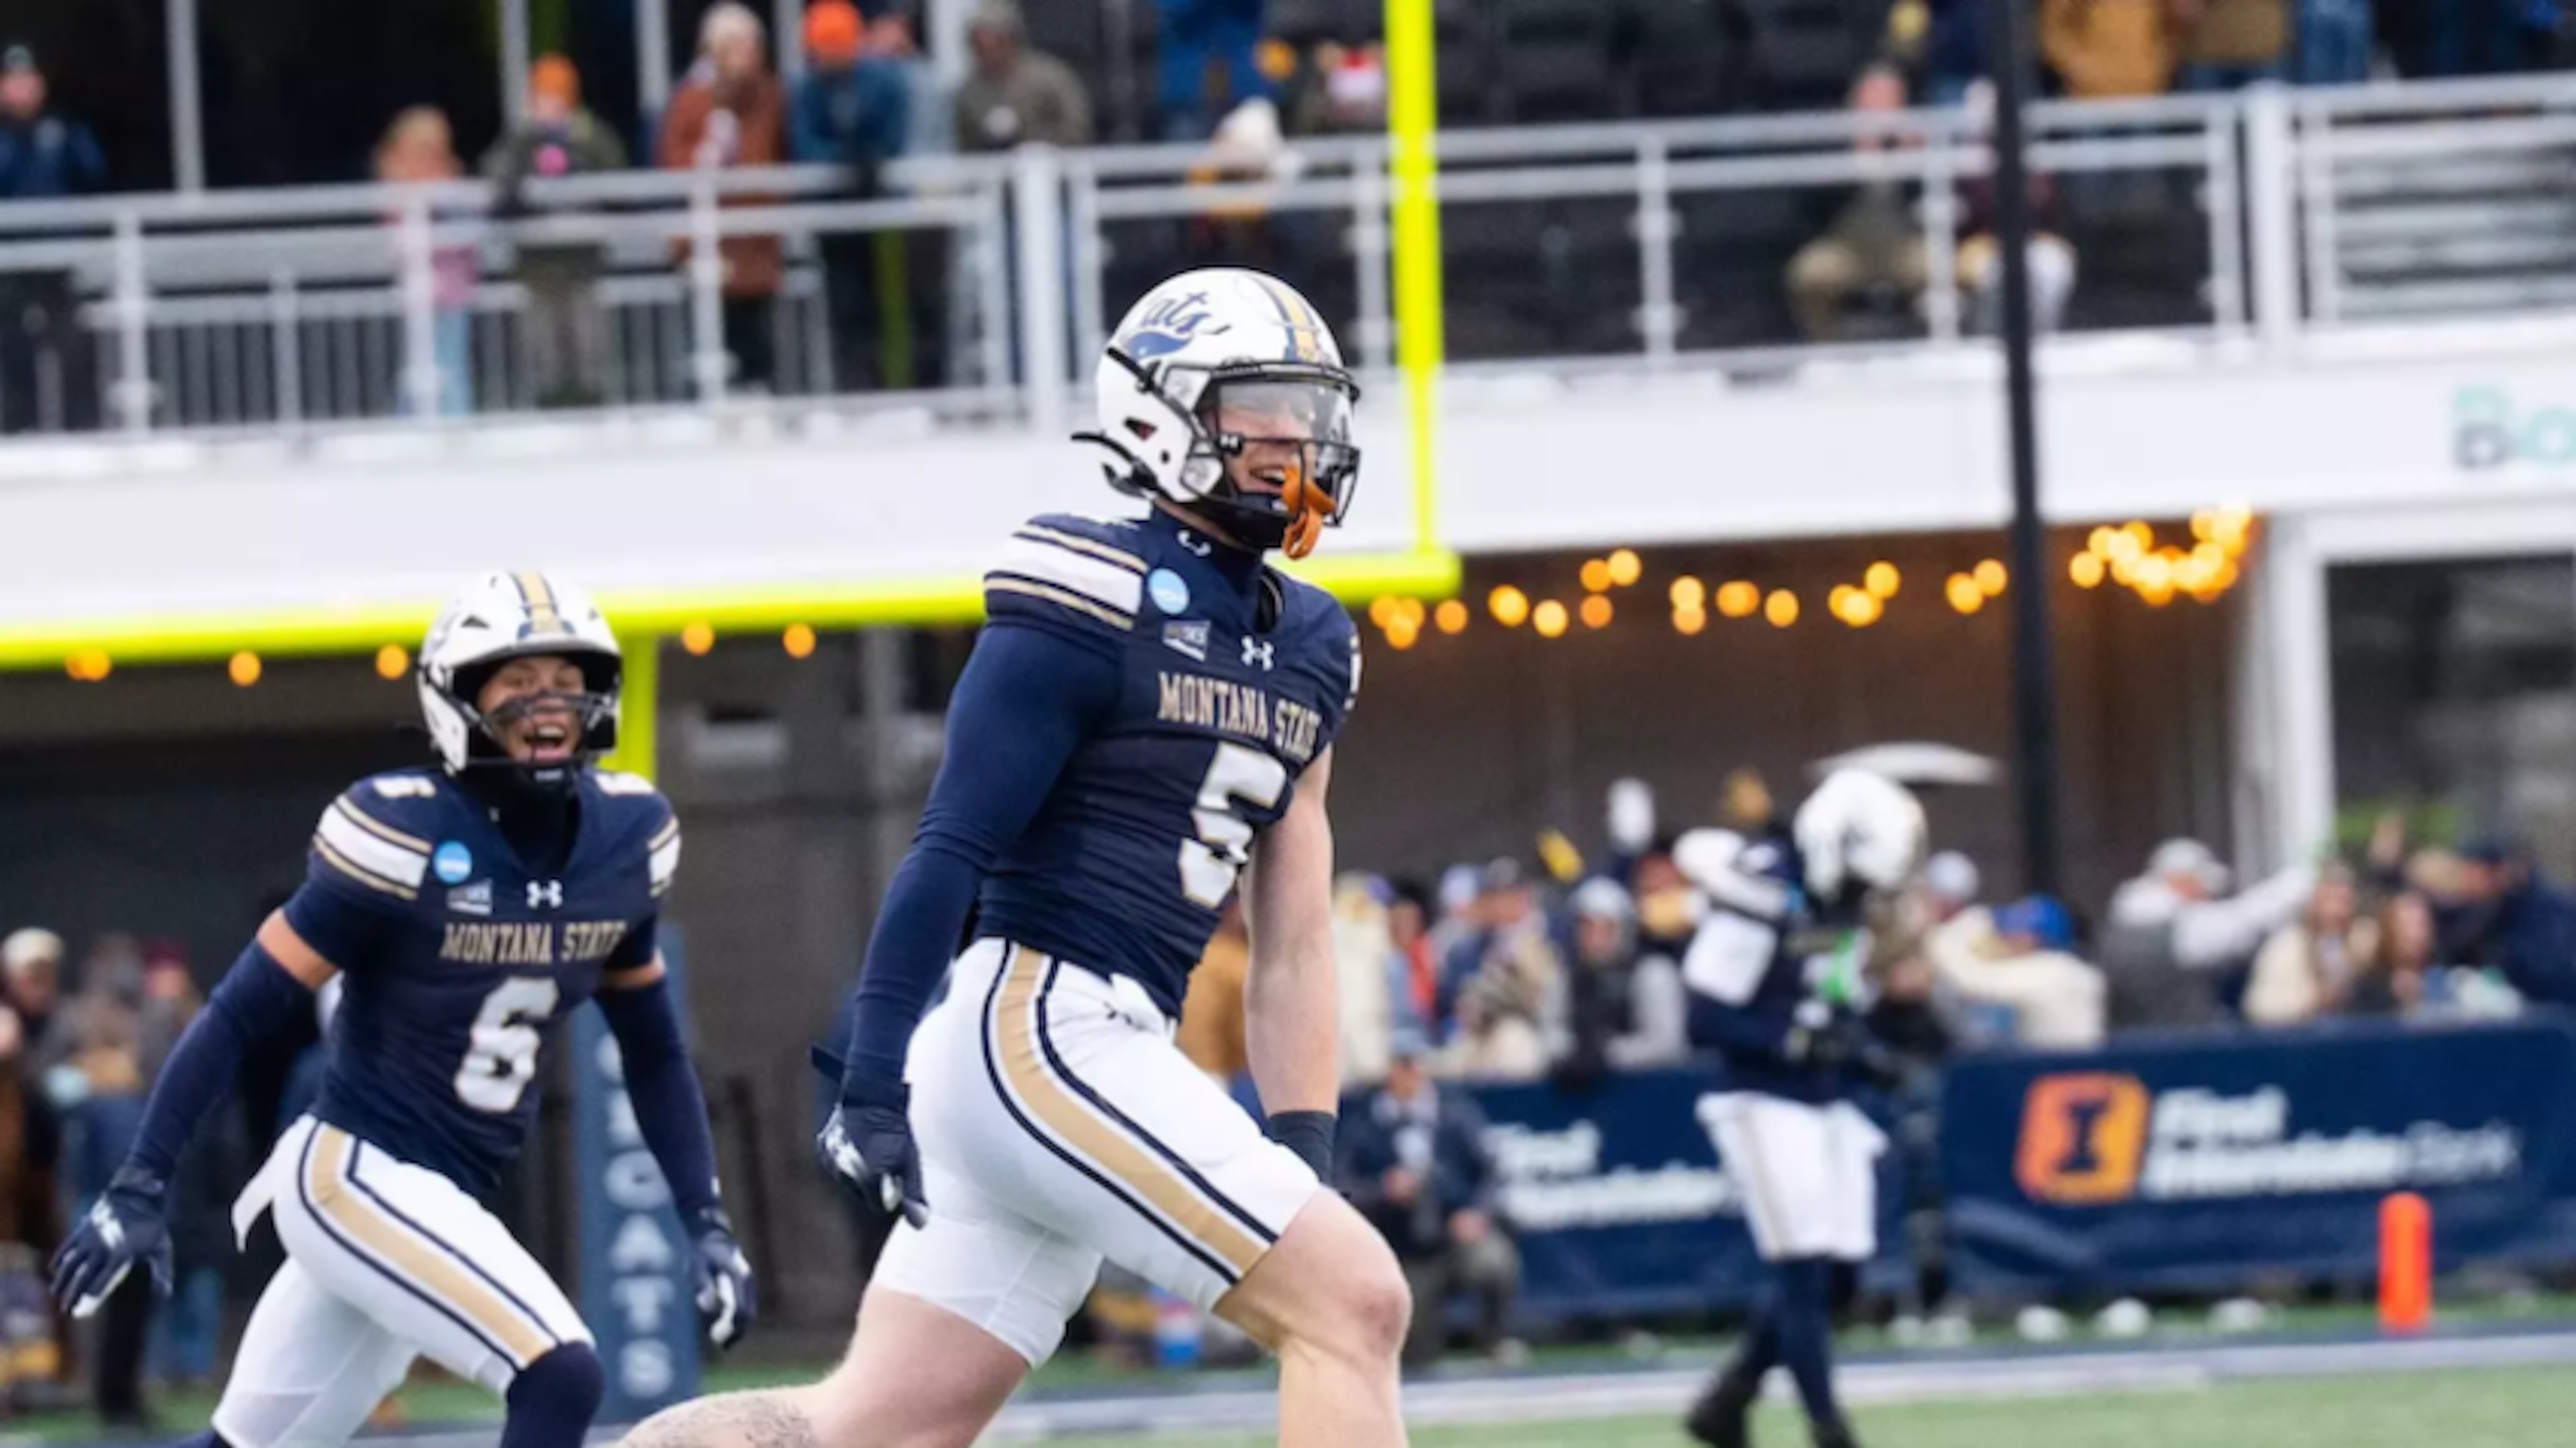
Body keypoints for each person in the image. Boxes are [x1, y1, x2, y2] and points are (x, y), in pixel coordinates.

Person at [615, 268, 1404, 1448]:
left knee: (867, 1428)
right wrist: (870, 1071)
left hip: (1093, 1045)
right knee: (1356, 1302)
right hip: (1038, 1026)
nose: (1297, 438)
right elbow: (952, 842)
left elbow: (1292, 934)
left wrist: (1299, 1152)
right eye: (1263, 407)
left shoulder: (1313, 643)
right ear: (1161, 415)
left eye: (1309, 408)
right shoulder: (1093, 585)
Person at [49, 573, 755, 1448]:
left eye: (567, 681)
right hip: (355, 1168)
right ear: (459, 699)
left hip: (439, 1189)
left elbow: (653, 1050)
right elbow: (238, 1013)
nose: (549, 703)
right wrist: (141, 1181)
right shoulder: (402, 833)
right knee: (561, 1371)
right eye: (518, 681)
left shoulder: (627, 836)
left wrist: (705, 1217)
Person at [1677, 770, 1927, 1448]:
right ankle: (1829, 1430)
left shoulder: (1834, 902)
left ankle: (1729, 1398)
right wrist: (1791, 1039)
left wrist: (1861, 1049)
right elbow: (1705, 1015)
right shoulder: (1762, 891)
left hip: (1823, 1097)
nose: (1860, 896)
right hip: (1761, 1098)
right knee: (1804, 1272)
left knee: (1840, 1274)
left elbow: (1828, 990)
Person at [1339, 1034, 1518, 1369]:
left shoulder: (1455, 1114)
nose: (1409, 1074)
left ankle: (1492, 1340)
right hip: (1401, 1251)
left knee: (1494, 1262)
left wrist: (1476, 1213)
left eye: (1415, 1065)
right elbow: (1342, 1189)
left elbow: (1493, 1173)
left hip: (1451, 1238)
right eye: (1402, 1066)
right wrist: (1383, 1191)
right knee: (1415, 1353)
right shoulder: (1366, 1123)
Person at [482, 56, 631, 409]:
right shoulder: (520, 141)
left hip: (583, 262)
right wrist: (527, 154)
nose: (548, 106)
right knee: (542, 347)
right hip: (537, 266)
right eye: (541, 97)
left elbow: (617, 181)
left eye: (555, 97)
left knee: (589, 341)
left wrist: (579, 154)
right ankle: (548, 408)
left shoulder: (592, 137)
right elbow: (497, 183)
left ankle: (591, 406)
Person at [660, 3, 789, 393]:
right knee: (709, 333)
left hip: (754, 238)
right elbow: (675, 163)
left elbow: (776, 155)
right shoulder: (691, 100)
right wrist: (708, 160)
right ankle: (710, 401)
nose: (746, 54)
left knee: (754, 335)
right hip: (706, 239)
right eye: (736, 45)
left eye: (751, 44)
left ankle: (758, 398)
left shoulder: (770, 96)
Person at [791, 0, 913, 393]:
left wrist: (871, 157)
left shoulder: (883, 81)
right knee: (843, 304)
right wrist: (839, 162)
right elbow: (805, 142)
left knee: (892, 301)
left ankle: (897, 386)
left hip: (884, 208)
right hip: (833, 211)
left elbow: (893, 135)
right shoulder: (810, 89)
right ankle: (852, 386)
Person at [0, 44, 107, 435]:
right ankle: (18, 424)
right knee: (12, 343)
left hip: (58, 253)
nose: (22, 89)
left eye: (28, 80)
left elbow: (94, 170)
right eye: (13, 81)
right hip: (10, 257)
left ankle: (83, 425)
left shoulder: (63, 127)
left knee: (73, 342)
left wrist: (64, 139)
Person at [2100, 838, 2313, 1031]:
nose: (2208, 895)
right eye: (2202, 885)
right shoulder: (2165, 923)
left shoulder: (2127, 917)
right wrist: (2304, 881)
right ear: (2179, 880)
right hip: (2174, 1042)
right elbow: (2241, 923)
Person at [1786, 66, 1927, 345]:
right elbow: (1814, 205)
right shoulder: (1835, 141)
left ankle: (1929, 346)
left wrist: (1910, 156)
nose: (1881, 109)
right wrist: (1858, 152)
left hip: (1905, 245)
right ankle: (1828, 348)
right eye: (1873, 99)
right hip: (1848, 248)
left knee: (1940, 270)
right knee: (1808, 275)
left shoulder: (1917, 140)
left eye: (1889, 100)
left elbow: (1931, 200)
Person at [375, 107, 478, 416]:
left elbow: (467, 236)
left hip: (449, 294)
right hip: (417, 292)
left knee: (449, 365)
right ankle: (411, 425)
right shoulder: (398, 191)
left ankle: (456, 424)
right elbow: (396, 237)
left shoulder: (452, 189)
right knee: (418, 368)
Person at [954, 1, 1094, 153]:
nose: (989, 53)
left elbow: (1077, 123)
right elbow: (964, 142)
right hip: (994, 164)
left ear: (1011, 41)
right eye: (980, 47)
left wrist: (1041, 142)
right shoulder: (970, 92)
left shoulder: (1050, 77)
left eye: (995, 44)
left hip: (1052, 159)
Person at [2243, 866, 2376, 1026]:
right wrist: (2313, 1000)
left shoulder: (2363, 942)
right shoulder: (2287, 946)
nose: (2337, 911)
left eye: (2345, 902)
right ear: (2313, 904)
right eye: (2330, 901)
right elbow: (2261, 1007)